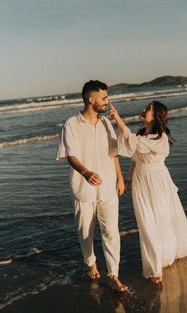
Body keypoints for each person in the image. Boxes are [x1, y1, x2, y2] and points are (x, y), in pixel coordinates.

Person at [109, 100, 187, 285]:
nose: (143, 110)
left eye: (148, 109)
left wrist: (117, 119)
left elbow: (133, 142)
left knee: (162, 219)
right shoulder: (141, 134)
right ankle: (156, 264)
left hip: (157, 181)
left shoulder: (159, 138)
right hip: (141, 180)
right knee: (146, 221)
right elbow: (135, 158)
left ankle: (159, 265)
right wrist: (128, 179)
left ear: (156, 117)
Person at [56, 80, 128, 292]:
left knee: (111, 232)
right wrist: (85, 172)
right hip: (83, 189)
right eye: (104, 98)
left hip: (108, 188)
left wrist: (120, 178)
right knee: (85, 232)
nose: (107, 101)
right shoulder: (71, 124)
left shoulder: (106, 123)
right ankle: (91, 264)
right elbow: (71, 154)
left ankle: (113, 275)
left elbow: (113, 152)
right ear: (91, 99)